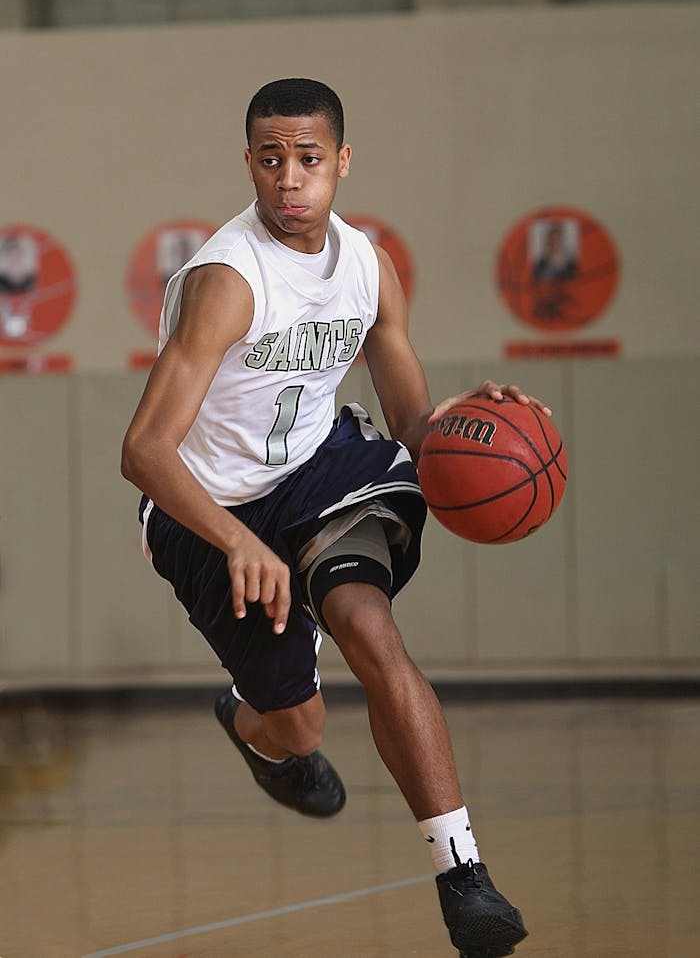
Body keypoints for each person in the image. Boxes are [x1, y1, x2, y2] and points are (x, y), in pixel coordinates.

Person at [122, 78, 551, 958]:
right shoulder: (226, 283)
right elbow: (145, 451)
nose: (289, 179)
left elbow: (413, 427)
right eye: (271, 159)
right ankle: (255, 727)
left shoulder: (368, 268)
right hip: (207, 506)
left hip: (319, 470)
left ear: (342, 164)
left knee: (368, 627)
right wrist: (239, 541)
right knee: (299, 725)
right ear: (249, 163)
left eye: (309, 160)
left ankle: (462, 875)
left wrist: (472, 424)